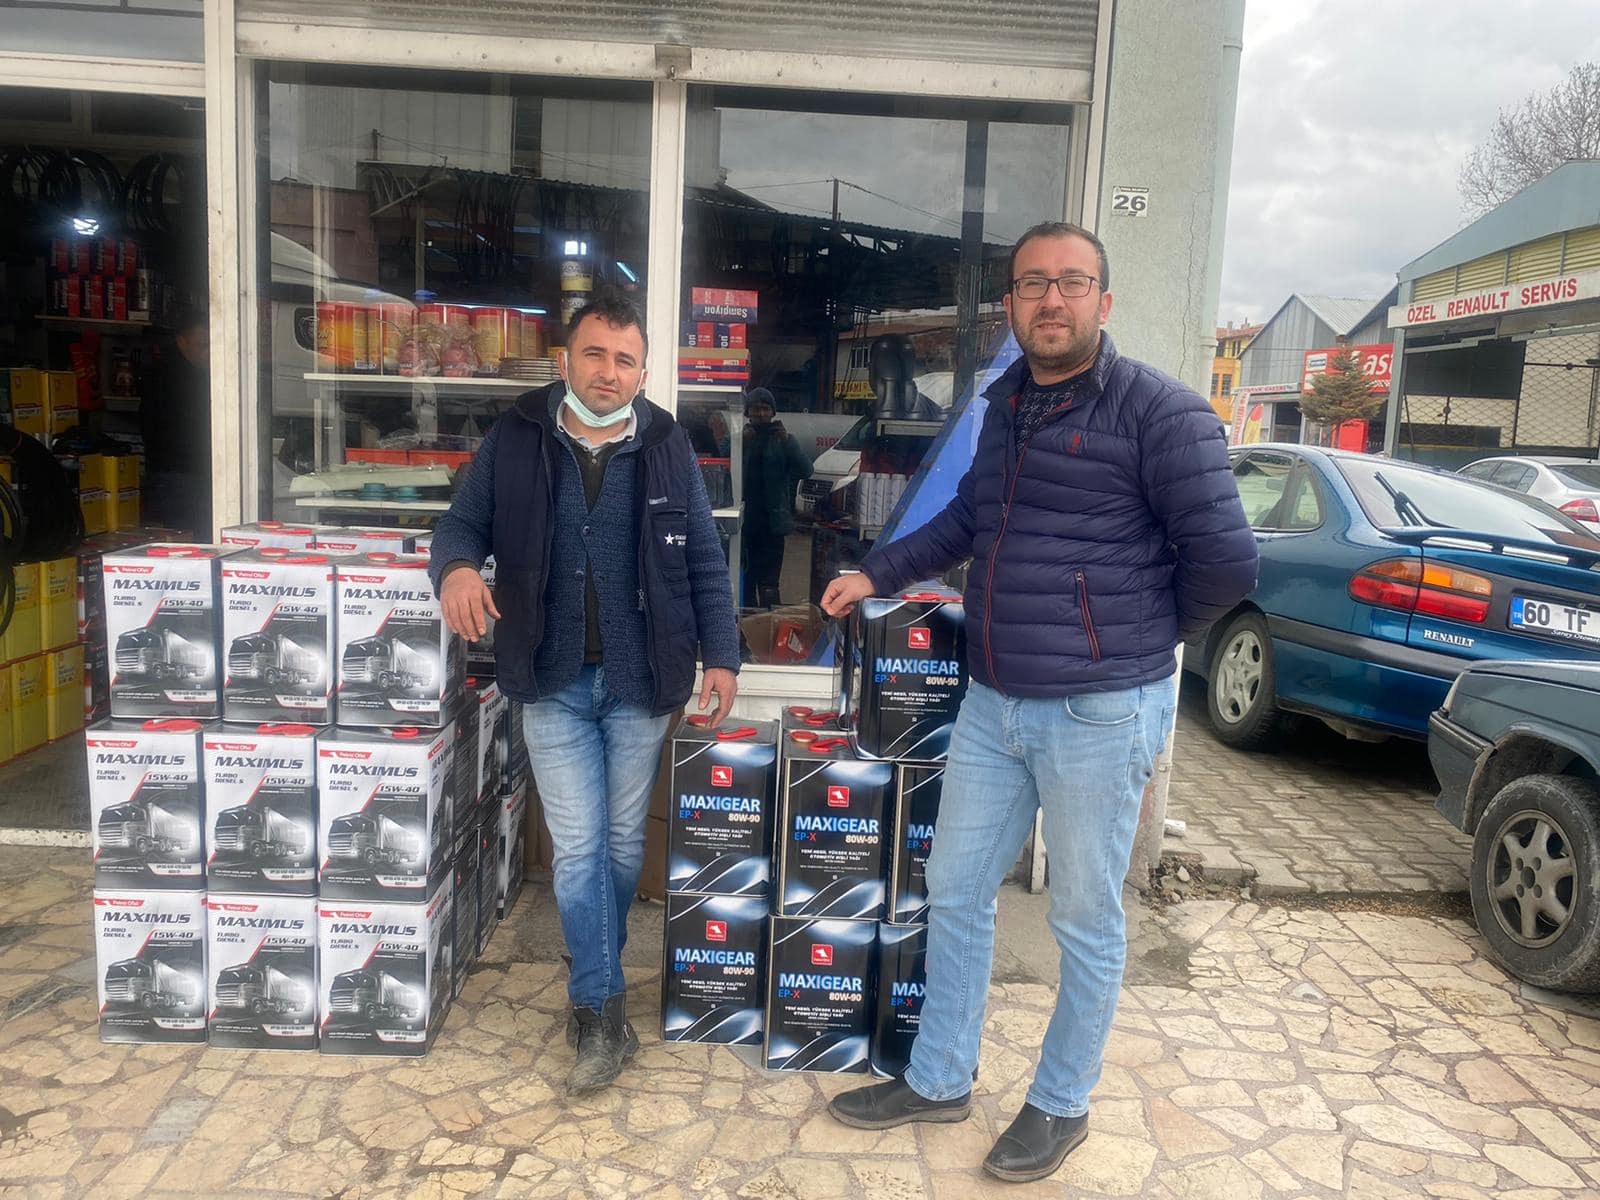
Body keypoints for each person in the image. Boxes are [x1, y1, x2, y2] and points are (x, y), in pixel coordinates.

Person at [821, 222, 1258, 1182]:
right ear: (1011, 305)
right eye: (1031, 284)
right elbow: (967, 519)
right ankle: (940, 1077)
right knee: (956, 889)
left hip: (1100, 710)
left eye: (1071, 282)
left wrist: (1135, 640)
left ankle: (1061, 1103)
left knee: (1085, 918)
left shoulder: (1161, 412)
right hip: (995, 698)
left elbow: (1227, 565)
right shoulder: (1007, 403)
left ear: (1104, 299)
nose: (1050, 300)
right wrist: (875, 573)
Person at [427, 290, 740, 1096]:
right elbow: (460, 525)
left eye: (625, 359)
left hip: (642, 680)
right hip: (550, 676)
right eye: (595, 354)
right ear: (565, 360)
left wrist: (723, 656)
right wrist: (456, 569)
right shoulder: (517, 436)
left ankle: (593, 964)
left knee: (623, 848)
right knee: (579, 850)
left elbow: (705, 561)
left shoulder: (668, 444)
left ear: (643, 372)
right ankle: (600, 1010)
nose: (609, 371)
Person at [141, 306, 212, 537]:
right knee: (189, 537)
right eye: (203, 346)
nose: (209, 353)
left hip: (187, 474)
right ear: (182, 341)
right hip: (177, 476)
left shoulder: (201, 373)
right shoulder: (166, 377)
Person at [740, 387, 812, 608]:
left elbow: (806, 469)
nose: (761, 414)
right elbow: (724, 457)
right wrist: (741, 442)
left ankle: (768, 623)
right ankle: (746, 623)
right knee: (745, 579)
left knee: (770, 583)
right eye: (755, 409)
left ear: (773, 412)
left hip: (773, 524)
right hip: (744, 522)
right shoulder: (740, 437)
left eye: (765, 409)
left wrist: (787, 441)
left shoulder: (784, 439)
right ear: (747, 412)